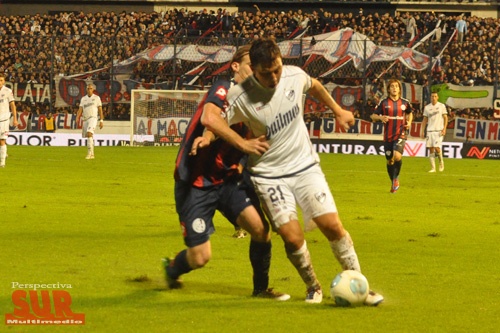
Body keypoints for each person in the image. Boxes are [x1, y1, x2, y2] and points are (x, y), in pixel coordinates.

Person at [206, 38, 383, 305]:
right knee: (292, 236)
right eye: (267, 73)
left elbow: (316, 86)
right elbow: (215, 120)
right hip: (269, 175)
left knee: (332, 226)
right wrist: (208, 137)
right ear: (253, 69)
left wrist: (337, 110)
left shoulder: (294, 75)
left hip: (305, 166)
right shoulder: (242, 96)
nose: (275, 76)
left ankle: (359, 284)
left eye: (277, 68)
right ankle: (313, 286)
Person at [164, 45, 289, 301]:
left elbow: (256, 137)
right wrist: (213, 139)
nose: (255, 70)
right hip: (196, 182)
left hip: (229, 180)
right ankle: (173, 268)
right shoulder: (222, 87)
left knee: (260, 230)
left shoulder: (257, 100)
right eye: (249, 65)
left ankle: (261, 289)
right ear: (235, 67)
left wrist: (246, 158)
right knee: (200, 257)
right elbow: (211, 119)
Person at [371, 79, 413, 193]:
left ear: (399, 89)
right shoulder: (384, 103)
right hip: (388, 135)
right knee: (390, 160)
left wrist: (409, 122)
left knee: (397, 156)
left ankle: (396, 179)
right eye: (392, 86)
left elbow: (409, 112)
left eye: (396, 86)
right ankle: (393, 181)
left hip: (401, 133)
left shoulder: (405, 103)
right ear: (389, 89)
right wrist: (381, 118)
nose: (394, 88)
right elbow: (373, 116)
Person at [421, 91, 448, 173]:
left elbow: (445, 118)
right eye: (432, 96)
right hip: (430, 130)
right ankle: (433, 168)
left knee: (437, 147)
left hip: (438, 130)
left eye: (435, 96)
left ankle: (441, 162)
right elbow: (425, 120)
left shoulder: (441, 106)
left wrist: (444, 128)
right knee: (431, 149)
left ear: (438, 97)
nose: (433, 98)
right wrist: (422, 131)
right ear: (430, 97)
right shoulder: (427, 107)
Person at [76, 84, 104, 159]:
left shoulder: (96, 98)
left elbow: (100, 110)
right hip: (85, 119)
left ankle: (89, 153)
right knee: (88, 136)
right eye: (88, 89)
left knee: (89, 133)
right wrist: (77, 117)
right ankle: (92, 154)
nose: (89, 90)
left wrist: (101, 120)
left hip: (93, 118)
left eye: (90, 88)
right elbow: (80, 109)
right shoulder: (83, 99)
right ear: (86, 90)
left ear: (93, 90)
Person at [0, 73, 18, 168]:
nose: (0, 82)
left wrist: (15, 119)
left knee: (2, 140)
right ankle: (4, 153)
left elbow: (12, 106)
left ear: (4, 81)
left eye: (1, 80)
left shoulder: (7, 91)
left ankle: (2, 163)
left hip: (4, 120)